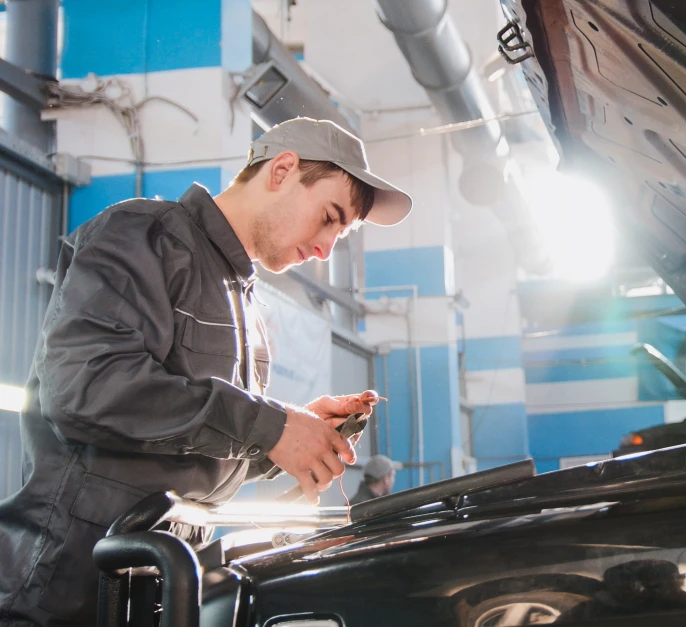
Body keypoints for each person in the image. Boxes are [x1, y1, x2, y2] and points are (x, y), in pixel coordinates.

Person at [0, 118, 412, 627]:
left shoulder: (247, 308)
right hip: (64, 593)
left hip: (159, 594)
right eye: (329, 217)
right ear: (282, 171)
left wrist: (294, 434)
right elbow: (86, 388)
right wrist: (270, 426)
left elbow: (198, 445)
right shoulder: (144, 237)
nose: (326, 250)